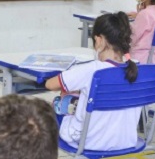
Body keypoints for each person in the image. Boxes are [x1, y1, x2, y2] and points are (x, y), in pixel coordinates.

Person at [45, 12, 142, 151]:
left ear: (99, 40)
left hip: (89, 141)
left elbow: (50, 84)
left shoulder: (92, 69)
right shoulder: (137, 69)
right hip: (127, 140)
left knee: (50, 108)